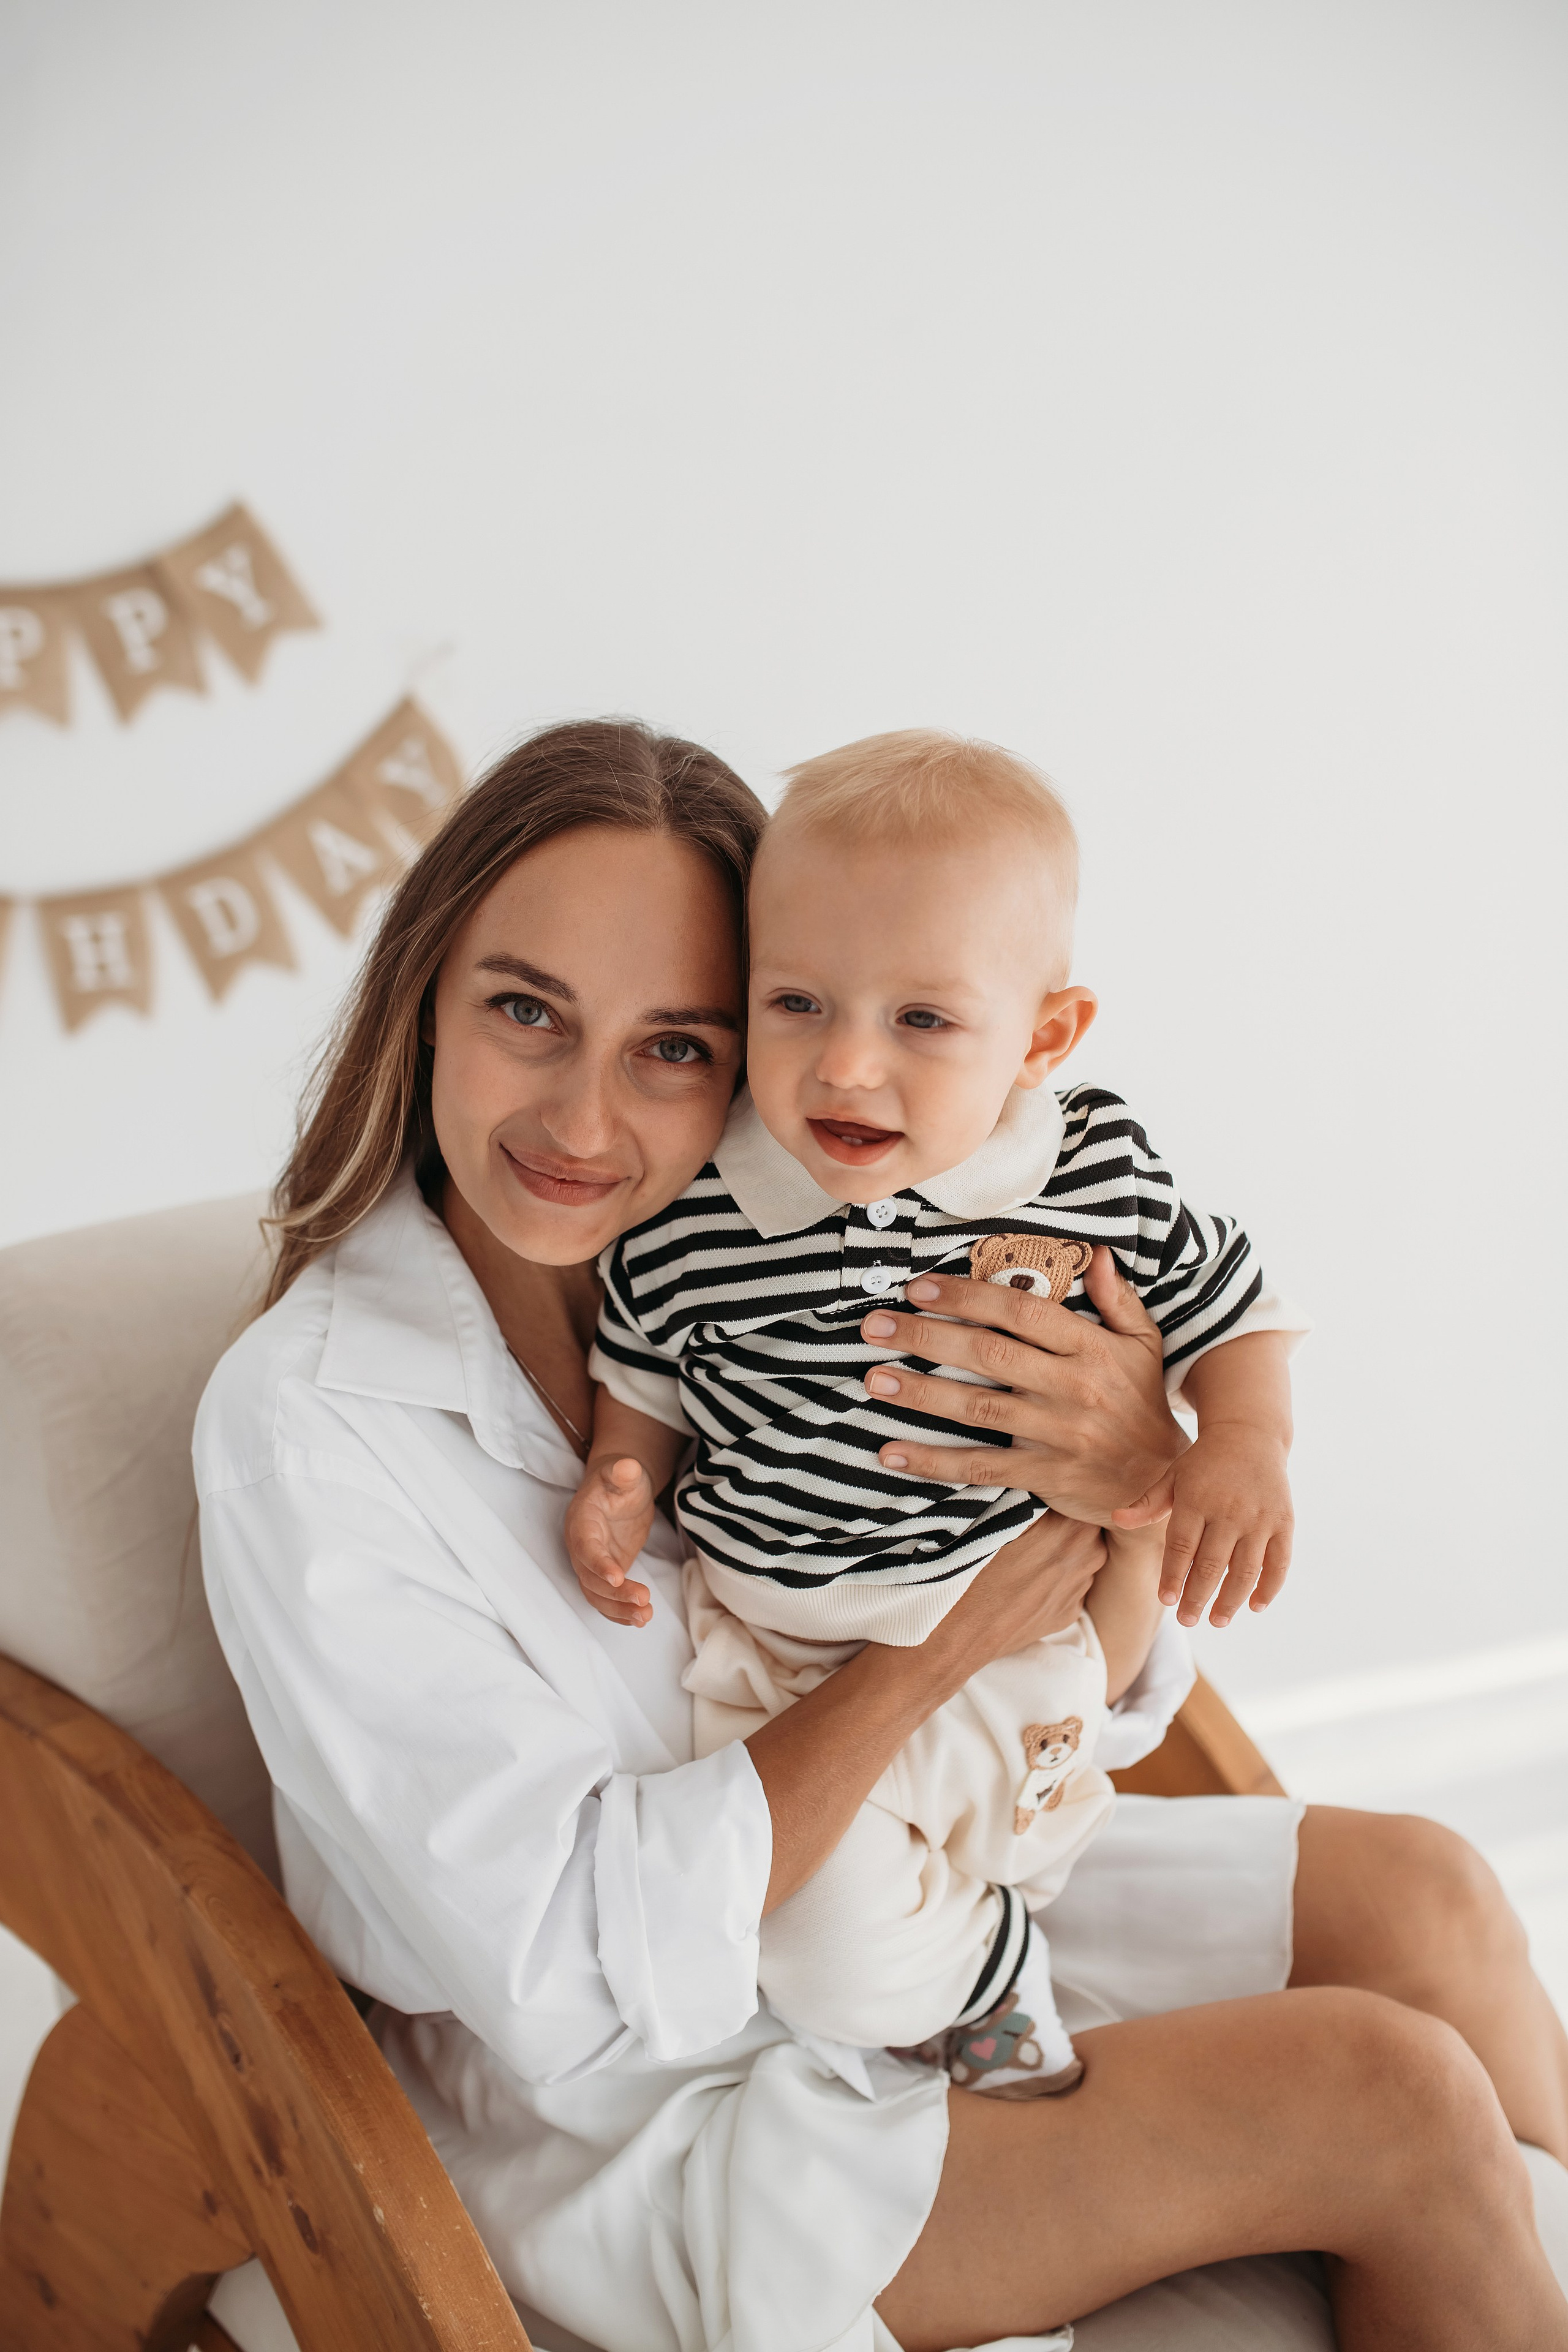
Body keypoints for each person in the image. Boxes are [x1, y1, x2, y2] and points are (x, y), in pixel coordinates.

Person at [195, 718, 1568, 2352]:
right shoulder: (311, 1427)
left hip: (951, 1883)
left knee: (1429, 1896)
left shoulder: (834, 1250)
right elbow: (565, 1972)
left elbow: (1100, 1701)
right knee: (1390, 2097)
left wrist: (1129, 1482)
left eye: (675, 1047)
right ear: (425, 995)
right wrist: (942, 1655)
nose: (583, 1114)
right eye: (526, 1012)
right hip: (663, 2104)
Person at [566, 729, 1309, 2098]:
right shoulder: (702, 1209)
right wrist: (619, 1481)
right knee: (812, 1942)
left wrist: (1244, 1444)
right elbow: (642, 1377)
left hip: (1028, 1638)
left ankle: (994, 1911)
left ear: (1041, 1039)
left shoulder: (1085, 1171)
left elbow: (1227, 1300)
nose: (845, 1069)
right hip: (788, 1661)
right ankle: (978, 1979)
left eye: (919, 1021)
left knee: (1020, 1832)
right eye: (796, 1004)